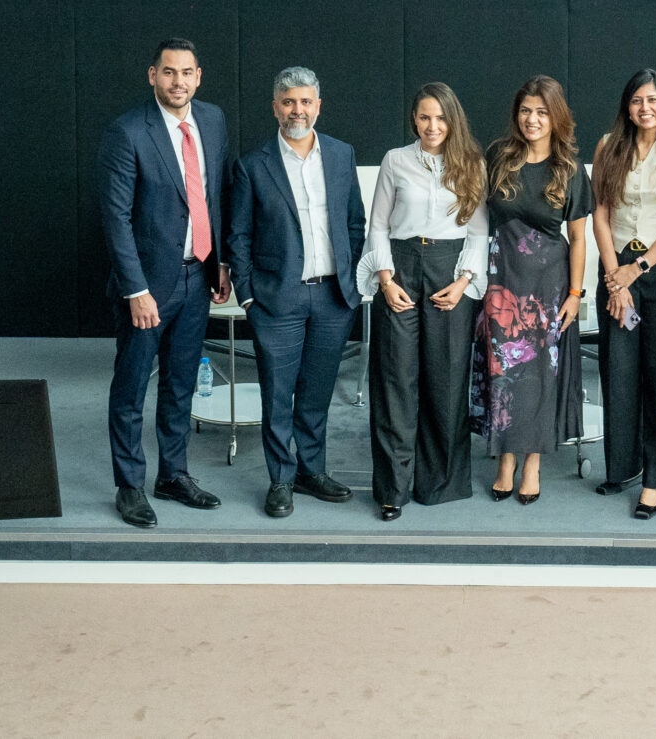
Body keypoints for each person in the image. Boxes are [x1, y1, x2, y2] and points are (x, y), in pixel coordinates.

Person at [224, 66, 367, 519]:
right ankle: (281, 480)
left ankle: (311, 471)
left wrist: (352, 280)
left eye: (305, 102)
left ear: (318, 106)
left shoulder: (341, 154)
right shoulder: (253, 165)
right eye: (288, 102)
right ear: (275, 107)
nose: (297, 110)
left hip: (333, 298)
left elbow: (354, 222)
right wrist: (248, 295)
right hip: (276, 299)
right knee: (277, 395)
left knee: (316, 393)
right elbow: (239, 235)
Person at [98, 39, 229, 529]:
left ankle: (173, 474)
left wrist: (220, 261)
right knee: (132, 387)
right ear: (152, 75)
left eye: (186, 73)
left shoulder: (212, 120)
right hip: (148, 287)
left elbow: (215, 195)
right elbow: (115, 218)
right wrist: (136, 290)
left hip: (198, 276)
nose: (178, 82)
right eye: (169, 72)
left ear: (199, 76)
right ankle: (130, 485)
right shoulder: (128, 131)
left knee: (180, 384)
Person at [362, 82, 489, 519]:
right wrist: (385, 279)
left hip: (449, 270)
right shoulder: (395, 160)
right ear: (414, 119)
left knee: (447, 378)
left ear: (452, 120)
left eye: (440, 118)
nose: (432, 126)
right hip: (399, 268)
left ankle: (440, 483)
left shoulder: (472, 164)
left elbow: (479, 231)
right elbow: (378, 225)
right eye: (424, 117)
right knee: (394, 380)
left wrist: (464, 281)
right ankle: (391, 489)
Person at [588, 69, 656, 520]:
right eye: (637, 100)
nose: (645, 108)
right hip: (616, 267)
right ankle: (624, 465)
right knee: (619, 370)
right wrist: (615, 276)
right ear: (627, 106)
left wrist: (638, 269)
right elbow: (600, 213)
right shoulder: (608, 146)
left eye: (653, 100)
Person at [475, 75, 590, 504]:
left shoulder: (570, 169)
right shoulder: (498, 157)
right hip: (501, 282)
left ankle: (532, 464)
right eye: (526, 110)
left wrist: (575, 294)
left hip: (548, 288)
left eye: (542, 112)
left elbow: (578, 238)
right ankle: (504, 459)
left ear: (556, 117)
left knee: (540, 376)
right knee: (503, 372)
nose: (532, 119)